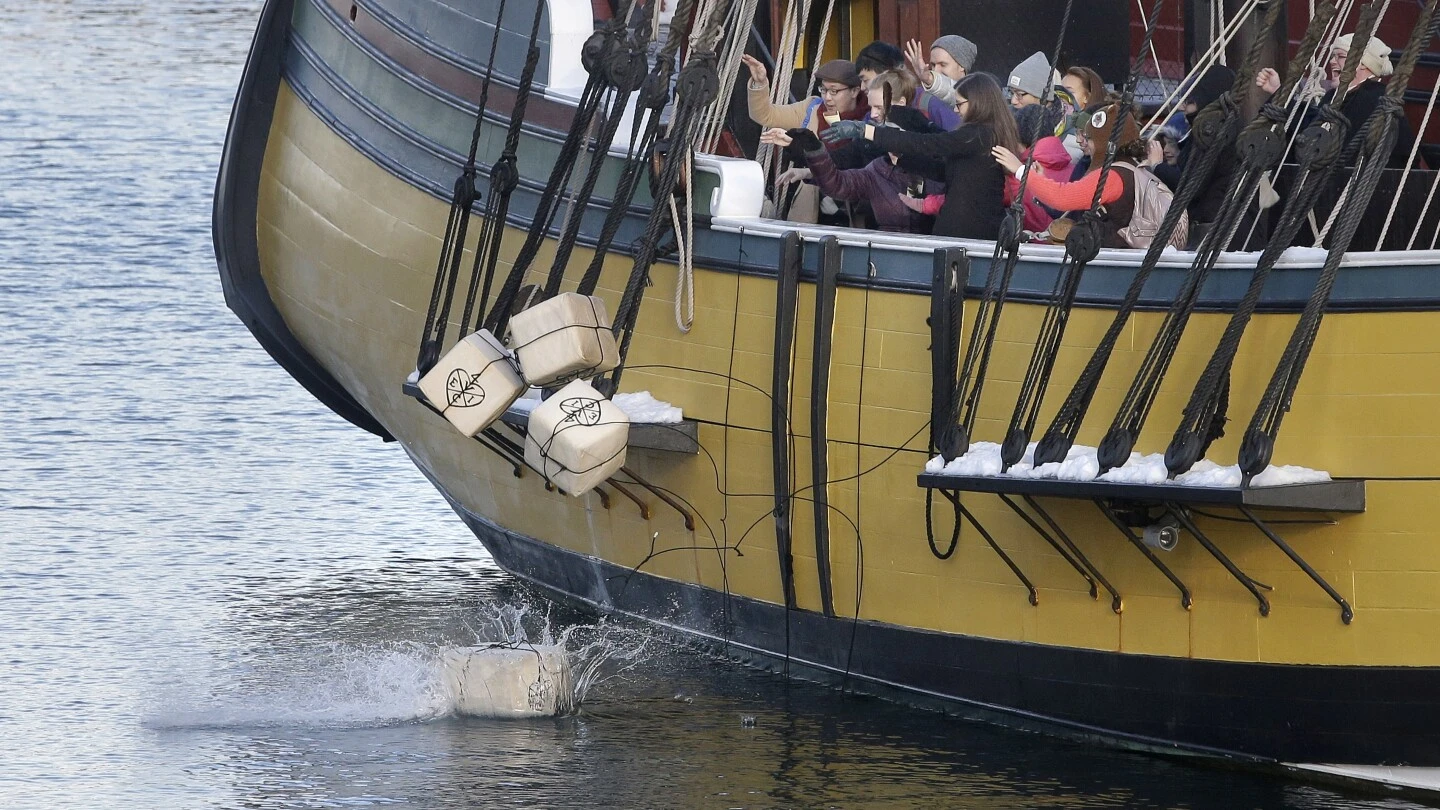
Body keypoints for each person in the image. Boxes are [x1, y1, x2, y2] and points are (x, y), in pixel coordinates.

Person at [823, 72, 1019, 240]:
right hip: (967, 231)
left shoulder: (979, 134)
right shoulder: (983, 136)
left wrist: (866, 131)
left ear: (978, 102)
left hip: (970, 234)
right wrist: (902, 159)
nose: (955, 109)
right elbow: (944, 172)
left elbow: (926, 144)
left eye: (959, 104)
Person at [761, 97, 940, 234]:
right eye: (884, 133)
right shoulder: (878, 170)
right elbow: (837, 183)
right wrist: (810, 146)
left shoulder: (937, 168)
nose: (888, 139)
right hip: (886, 251)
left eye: (894, 133)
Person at [992, 101, 1147, 248]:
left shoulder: (1113, 177)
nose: (1085, 143)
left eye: (1090, 139)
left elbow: (1063, 197)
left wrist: (1020, 170)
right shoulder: (1129, 169)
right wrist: (1040, 180)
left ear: (1104, 143)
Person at [1256, 32, 1413, 167]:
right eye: (1333, 56)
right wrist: (1279, 92)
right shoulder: (1334, 97)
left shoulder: (1375, 99)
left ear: (1364, 65)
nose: (1332, 61)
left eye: (1341, 56)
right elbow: (1312, 126)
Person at [743, 56, 869, 222]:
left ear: (854, 91)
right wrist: (760, 84)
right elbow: (765, 115)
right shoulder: (811, 109)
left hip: (856, 213)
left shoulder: (870, 117)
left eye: (834, 91)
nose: (827, 98)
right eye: (823, 90)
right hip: (812, 209)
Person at [855, 40, 960, 129]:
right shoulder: (871, 115)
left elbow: (958, 140)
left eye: (865, 80)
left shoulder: (928, 104)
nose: (862, 87)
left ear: (886, 73)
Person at [903, 35, 978, 109]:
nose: (935, 71)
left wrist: (930, 79)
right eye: (933, 65)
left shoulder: (979, 96)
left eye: (943, 65)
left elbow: (956, 94)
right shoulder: (919, 98)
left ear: (962, 66)